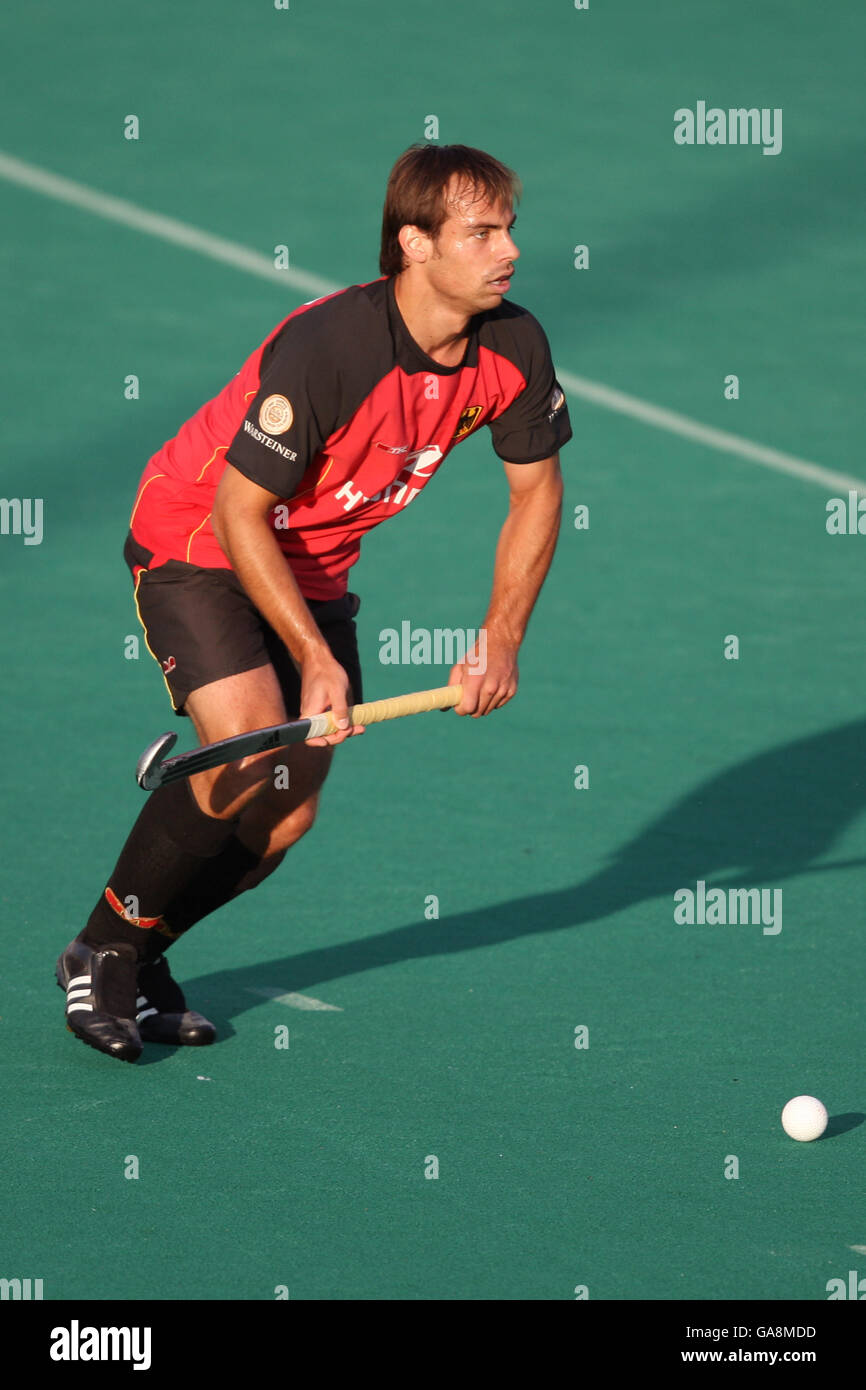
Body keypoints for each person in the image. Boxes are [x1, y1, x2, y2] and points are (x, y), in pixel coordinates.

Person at [56, 143, 572, 1062]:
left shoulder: (514, 346)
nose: (509, 251)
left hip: (316, 568)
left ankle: (141, 953)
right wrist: (318, 658)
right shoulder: (331, 349)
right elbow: (240, 513)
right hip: (200, 540)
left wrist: (501, 638)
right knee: (246, 743)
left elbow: (536, 491)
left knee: (288, 810)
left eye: (509, 230)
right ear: (415, 245)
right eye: (481, 232)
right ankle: (99, 952)